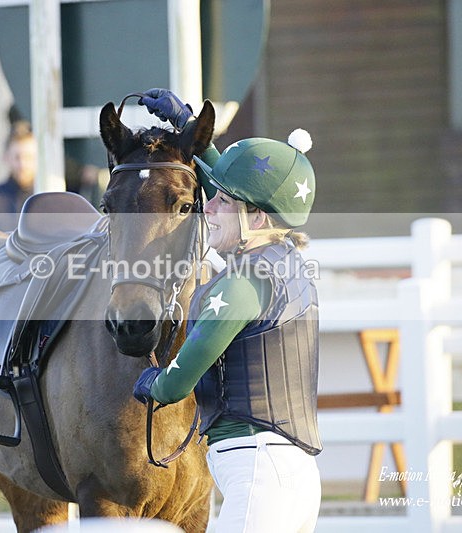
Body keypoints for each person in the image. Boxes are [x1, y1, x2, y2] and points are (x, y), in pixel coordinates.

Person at [133, 89, 322, 532]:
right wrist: (193, 134)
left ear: (255, 218)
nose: (209, 208)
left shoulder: (243, 281)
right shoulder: (282, 259)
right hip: (282, 473)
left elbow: (185, 373)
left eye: (222, 202)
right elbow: (243, 185)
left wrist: (154, 385)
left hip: (259, 471)